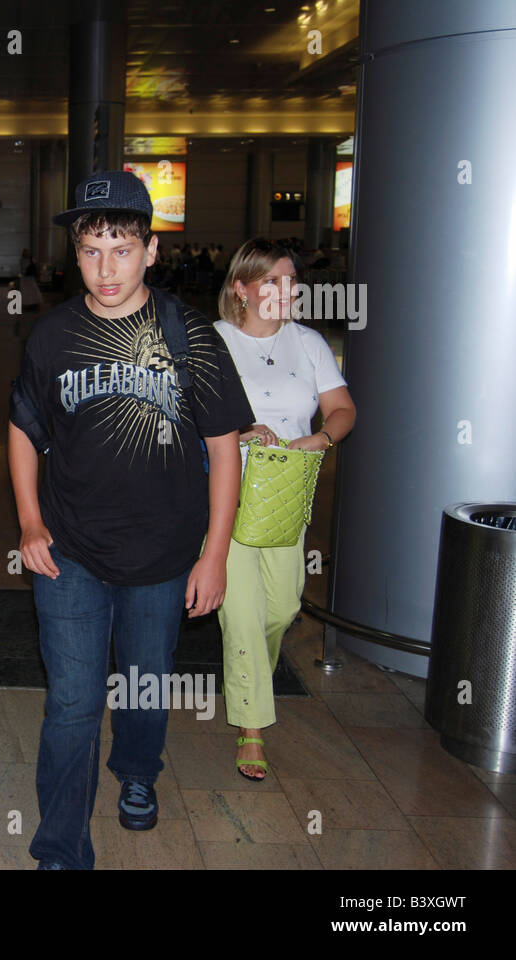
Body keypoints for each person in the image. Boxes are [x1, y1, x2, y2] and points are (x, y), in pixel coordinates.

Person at [9, 170, 254, 870]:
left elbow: (223, 446)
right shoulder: (52, 336)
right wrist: (29, 520)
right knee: (74, 701)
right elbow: (24, 427)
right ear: (74, 254)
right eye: (91, 250)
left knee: (145, 680)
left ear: (150, 250)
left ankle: (139, 770)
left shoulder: (189, 333)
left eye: (121, 248)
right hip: (71, 550)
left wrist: (214, 554)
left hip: (164, 552)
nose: (106, 267)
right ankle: (60, 847)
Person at [214, 238, 356, 781]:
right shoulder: (216, 341)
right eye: (272, 281)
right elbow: (189, 413)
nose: (287, 290)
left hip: (287, 497)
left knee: (280, 608)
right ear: (241, 288)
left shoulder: (310, 343)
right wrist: (239, 430)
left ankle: (246, 678)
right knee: (244, 613)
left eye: (291, 280)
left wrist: (318, 439)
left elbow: (342, 408)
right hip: (229, 494)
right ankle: (252, 729)